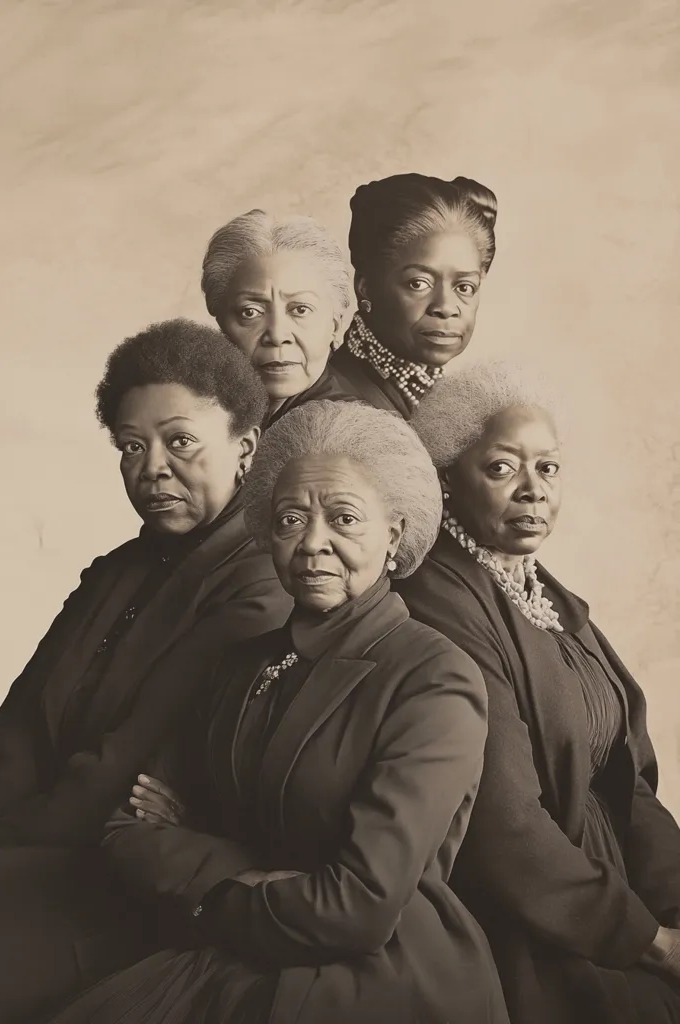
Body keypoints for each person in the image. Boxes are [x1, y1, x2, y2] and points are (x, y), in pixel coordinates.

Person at [46, 400, 510, 1024]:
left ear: (394, 535)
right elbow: (128, 835)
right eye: (291, 518)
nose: (313, 543)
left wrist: (209, 890)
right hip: (237, 956)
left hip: (378, 979)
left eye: (344, 518)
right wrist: (261, 871)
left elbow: (359, 908)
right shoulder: (235, 664)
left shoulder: (433, 677)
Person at [0, 319, 292, 1023]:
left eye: (179, 440)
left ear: (245, 448)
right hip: (32, 845)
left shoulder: (263, 583)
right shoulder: (114, 572)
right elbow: (21, 721)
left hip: (115, 884)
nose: (151, 466)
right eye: (132, 446)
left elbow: (127, 769)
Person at [396, 360, 680, 1024]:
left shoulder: (543, 593)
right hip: (530, 914)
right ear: (446, 481)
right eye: (501, 469)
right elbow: (504, 827)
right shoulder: (438, 601)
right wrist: (653, 943)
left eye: (547, 469)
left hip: (612, 890)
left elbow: (626, 782)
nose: (532, 490)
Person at [330, 172, 497, 418]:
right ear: (365, 286)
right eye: (419, 283)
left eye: (464, 287)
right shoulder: (335, 407)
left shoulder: (447, 405)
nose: (446, 307)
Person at [202, 209, 355, 426]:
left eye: (300, 310)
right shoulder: (210, 411)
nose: (276, 335)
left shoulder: (347, 431)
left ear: (335, 324)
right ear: (220, 322)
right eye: (250, 312)